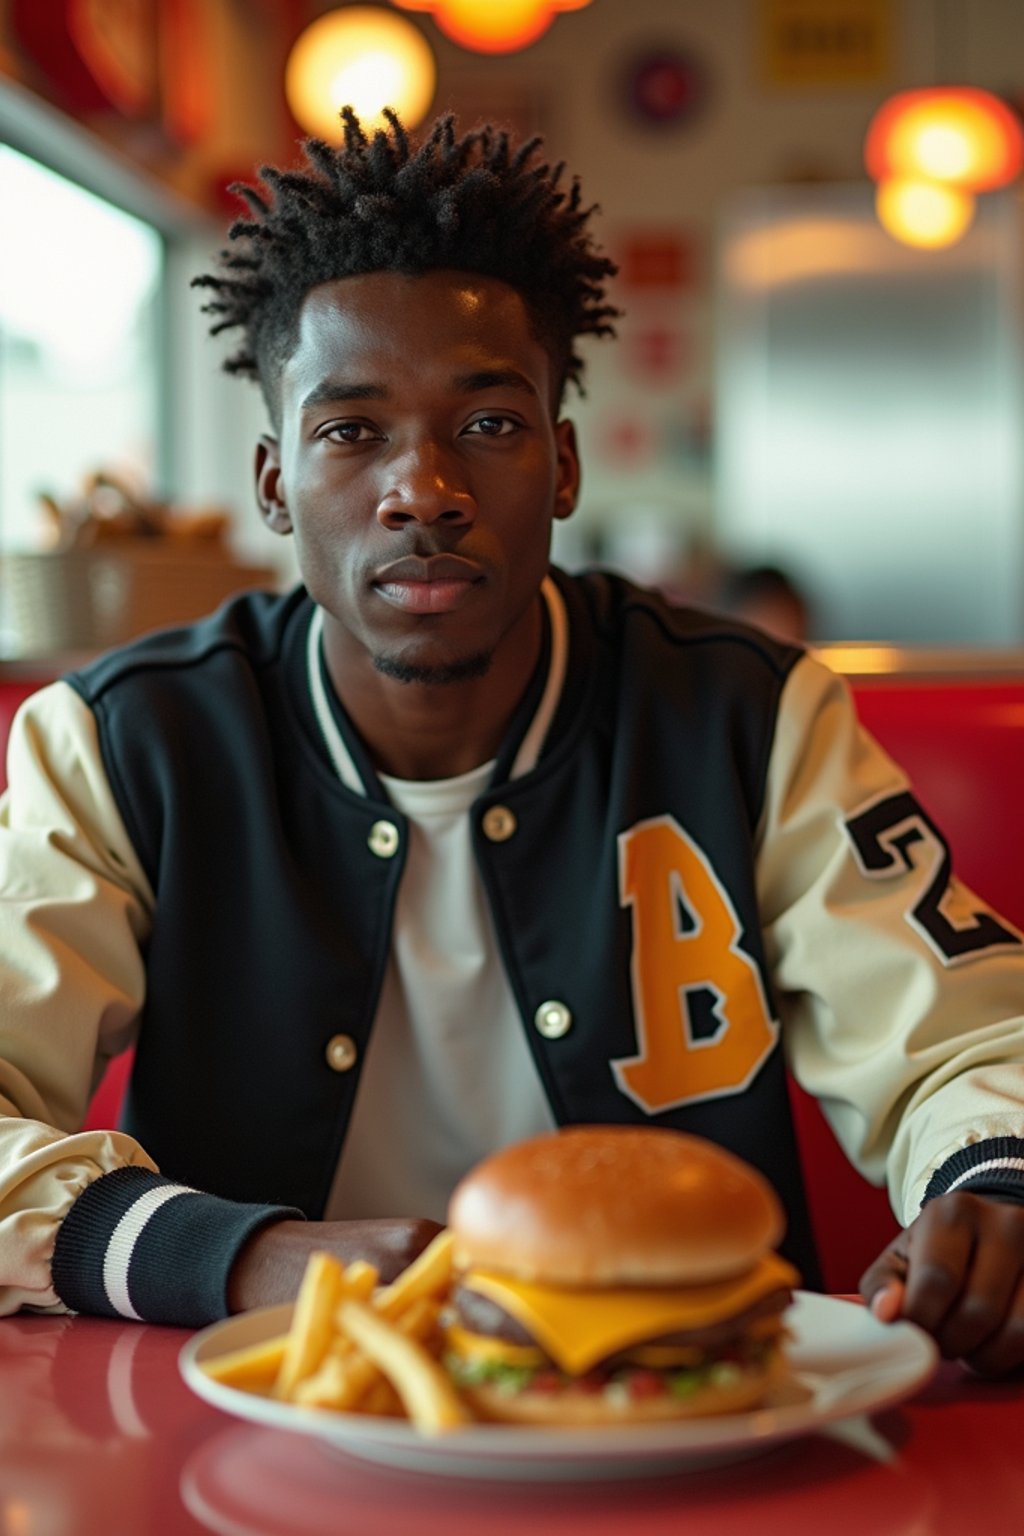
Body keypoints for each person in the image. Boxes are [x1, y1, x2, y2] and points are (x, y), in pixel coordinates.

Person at [1, 109, 1024, 1376]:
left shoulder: (751, 715)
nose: (420, 487)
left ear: (564, 465)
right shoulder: (119, 743)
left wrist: (999, 1183)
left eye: (486, 424)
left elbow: (970, 1041)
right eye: (350, 430)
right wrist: (242, 1254)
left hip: (696, 1414)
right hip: (253, 1418)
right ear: (273, 484)